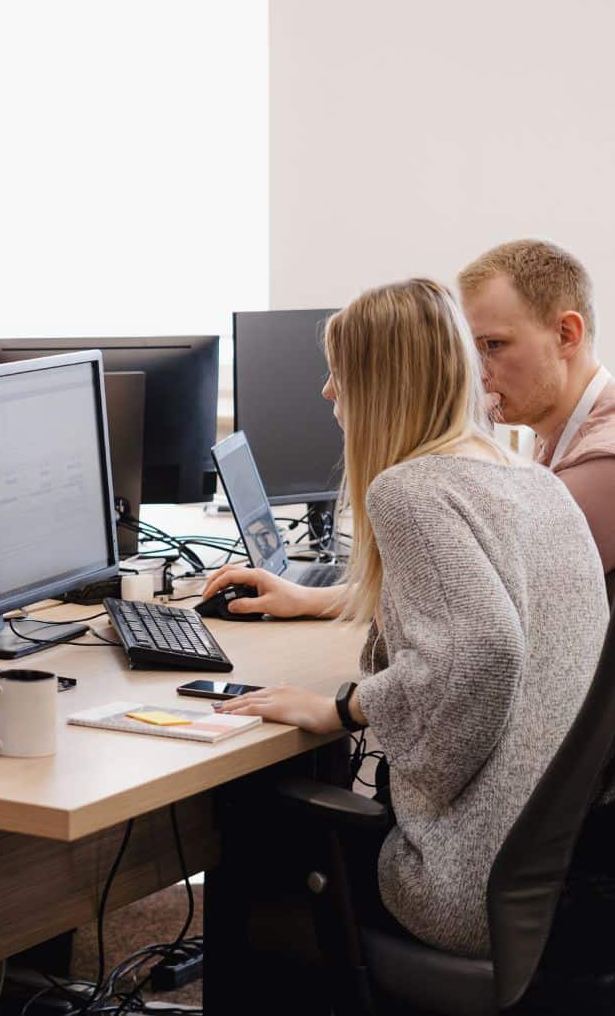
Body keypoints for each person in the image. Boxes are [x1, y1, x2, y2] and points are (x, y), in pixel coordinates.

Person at [209, 279, 608, 957]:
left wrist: (344, 709)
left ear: (379, 384)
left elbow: (481, 651)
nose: (329, 394)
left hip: (467, 887)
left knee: (248, 814)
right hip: (560, 883)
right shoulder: (532, 479)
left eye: (339, 375)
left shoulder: (409, 489)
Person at [458, 239, 615, 601]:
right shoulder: (550, 439)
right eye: (471, 351)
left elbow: (478, 596)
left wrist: (453, 434)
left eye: (493, 346)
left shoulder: (603, 459)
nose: (477, 373)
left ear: (566, 335)